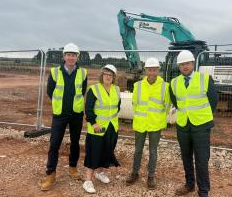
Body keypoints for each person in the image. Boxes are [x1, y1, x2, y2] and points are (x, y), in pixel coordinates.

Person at [169, 50, 218, 197]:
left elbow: (213, 101)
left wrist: (200, 115)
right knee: (186, 157)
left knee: (202, 160)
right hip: (183, 126)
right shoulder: (174, 82)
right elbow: (175, 102)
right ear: (179, 66)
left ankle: (203, 191)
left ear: (193, 64)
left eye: (187, 63)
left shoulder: (204, 78)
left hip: (201, 126)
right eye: (182, 64)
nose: (185, 66)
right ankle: (189, 185)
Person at [40, 43, 87, 191]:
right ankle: (51, 174)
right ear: (64, 56)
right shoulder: (55, 72)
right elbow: (50, 91)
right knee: (54, 144)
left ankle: (73, 168)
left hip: (76, 114)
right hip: (60, 114)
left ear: (77, 57)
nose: (71, 57)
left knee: (75, 142)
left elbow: (82, 91)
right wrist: (59, 104)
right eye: (68, 54)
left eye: (74, 55)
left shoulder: (83, 73)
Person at [125, 57, 170, 189]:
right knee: (137, 150)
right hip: (140, 124)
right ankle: (135, 172)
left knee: (153, 152)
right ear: (145, 71)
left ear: (158, 71)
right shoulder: (137, 86)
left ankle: (151, 176)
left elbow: (167, 106)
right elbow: (135, 104)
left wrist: (157, 118)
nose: (152, 72)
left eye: (154, 70)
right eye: (149, 70)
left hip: (155, 125)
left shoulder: (164, 87)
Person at [82, 64, 121, 194]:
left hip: (111, 126)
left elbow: (117, 107)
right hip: (97, 127)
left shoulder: (116, 89)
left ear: (114, 77)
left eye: (110, 75)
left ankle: (100, 173)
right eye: (106, 74)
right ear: (102, 75)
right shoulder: (94, 89)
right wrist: (93, 123)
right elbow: (88, 108)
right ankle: (88, 180)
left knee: (107, 150)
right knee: (94, 152)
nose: (108, 77)